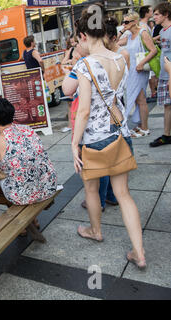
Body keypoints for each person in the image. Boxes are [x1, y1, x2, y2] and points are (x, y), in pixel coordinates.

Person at [71, 11, 146, 270]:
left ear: (83, 35)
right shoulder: (120, 59)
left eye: (77, 39)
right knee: (124, 194)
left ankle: (95, 230)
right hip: (120, 134)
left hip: (94, 139)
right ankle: (139, 252)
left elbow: (83, 110)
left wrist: (74, 143)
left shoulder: (85, 64)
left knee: (91, 190)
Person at [0, 98, 57, 230]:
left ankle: (25, 225)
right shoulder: (26, 129)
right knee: (16, 170)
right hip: (47, 185)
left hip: (26, 194)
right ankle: (33, 219)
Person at [118, 12, 157, 139]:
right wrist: (122, 31)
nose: (124, 24)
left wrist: (142, 63)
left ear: (135, 21)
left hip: (139, 70)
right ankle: (141, 125)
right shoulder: (129, 36)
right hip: (131, 71)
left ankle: (145, 128)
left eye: (127, 22)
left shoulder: (142, 33)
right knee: (136, 98)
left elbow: (153, 50)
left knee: (141, 99)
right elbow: (115, 43)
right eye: (123, 22)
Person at [150, 2, 171, 147]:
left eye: (157, 14)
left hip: (169, 75)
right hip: (164, 75)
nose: (154, 17)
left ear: (166, 14)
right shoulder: (163, 32)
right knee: (167, 106)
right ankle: (166, 135)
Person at [61, 35, 82, 133]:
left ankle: (77, 124)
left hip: (77, 78)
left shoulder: (82, 52)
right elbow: (63, 62)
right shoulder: (71, 50)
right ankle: (71, 125)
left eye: (75, 42)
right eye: (71, 42)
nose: (73, 44)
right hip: (72, 77)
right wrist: (71, 60)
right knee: (70, 103)